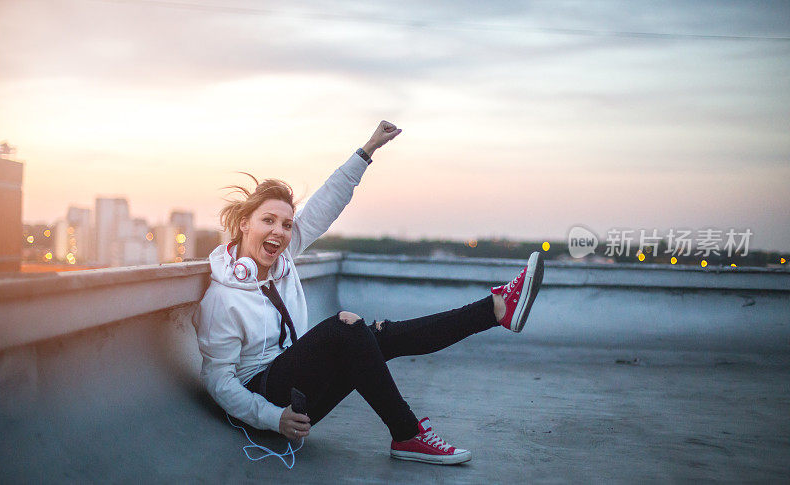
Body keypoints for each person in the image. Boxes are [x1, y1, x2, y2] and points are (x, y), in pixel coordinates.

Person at [193, 120, 545, 465]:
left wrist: (367, 150)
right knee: (345, 327)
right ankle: (407, 432)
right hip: (266, 406)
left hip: (296, 399)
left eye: (286, 224)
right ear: (244, 224)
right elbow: (218, 381)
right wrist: (273, 418)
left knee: (377, 336)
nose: (280, 231)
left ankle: (495, 309)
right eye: (267, 220)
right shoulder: (223, 297)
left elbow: (324, 205)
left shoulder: (281, 259)